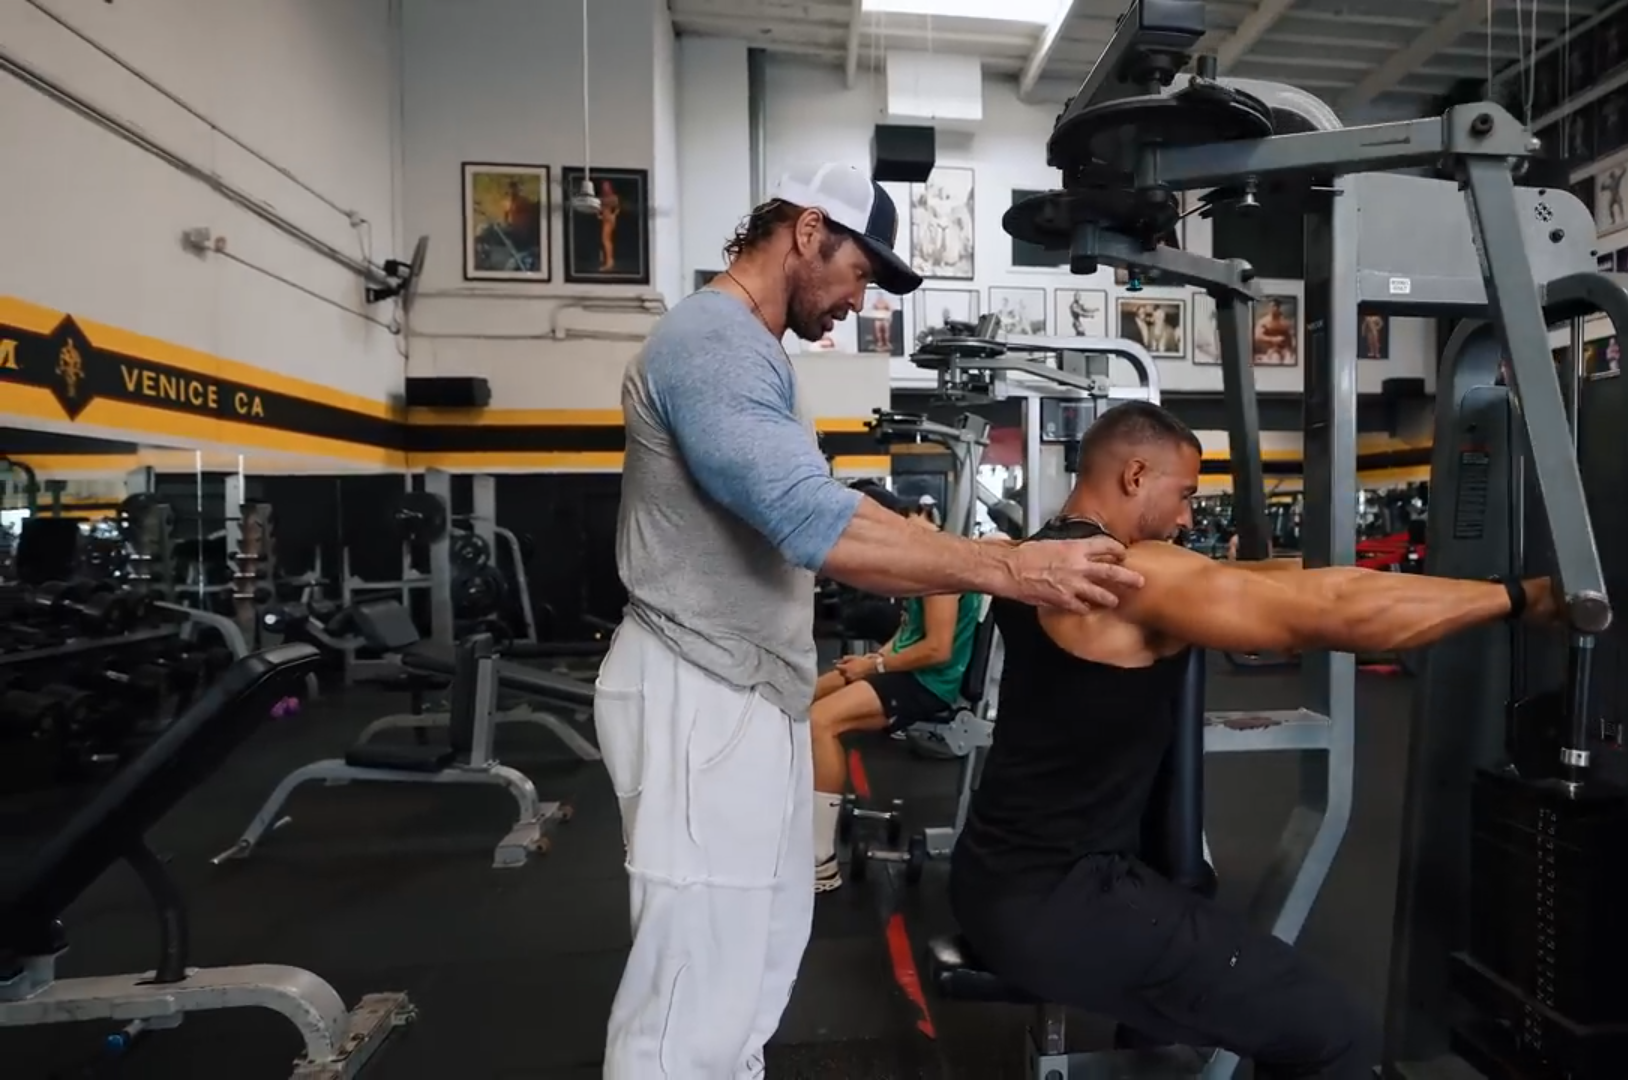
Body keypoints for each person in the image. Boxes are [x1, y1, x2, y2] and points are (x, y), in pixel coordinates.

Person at [594, 162, 1144, 1080]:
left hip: (745, 687)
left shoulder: (753, 350)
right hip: (699, 688)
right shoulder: (713, 343)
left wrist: (966, 553)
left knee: (757, 958)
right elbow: (810, 520)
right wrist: (1009, 566)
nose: (860, 299)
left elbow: (817, 512)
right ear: (809, 232)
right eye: (860, 272)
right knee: (694, 984)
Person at [948, 401, 1564, 1079]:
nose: (1188, 518)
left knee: (1198, 922)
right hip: (1061, 899)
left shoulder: (1045, 556)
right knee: (1335, 1036)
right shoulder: (1127, 576)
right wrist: (1517, 597)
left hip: (1003, 876)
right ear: (1134, 476)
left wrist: (1416, 582)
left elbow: (1259, 580)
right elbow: (1331, 612)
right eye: (1185, 495)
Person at [809, 488, 984, 892]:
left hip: (927, 683)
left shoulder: (938, 560)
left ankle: (820, 860)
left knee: (820, 722)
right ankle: (803, 814)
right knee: (799, 695)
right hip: (904, 670)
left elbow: (937, 649)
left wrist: (876, 665)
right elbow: (907, 636)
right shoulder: (917, 554)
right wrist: (870, 662)